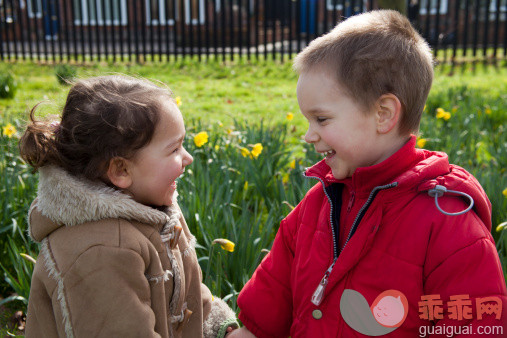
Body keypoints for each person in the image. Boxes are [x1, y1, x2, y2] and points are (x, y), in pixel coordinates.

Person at [231, 10, 507, 337]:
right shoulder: (314, 208)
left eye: (321, 119)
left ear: (383, 114)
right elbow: (261, 319)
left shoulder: (449, 227)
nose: (308, 135)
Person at [20, 75, 239, 337]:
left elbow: (188, 294)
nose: (188, 158)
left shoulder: (154, 212)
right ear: (121, 170)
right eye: (174, 149)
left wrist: (222, 331)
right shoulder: (99, 253)